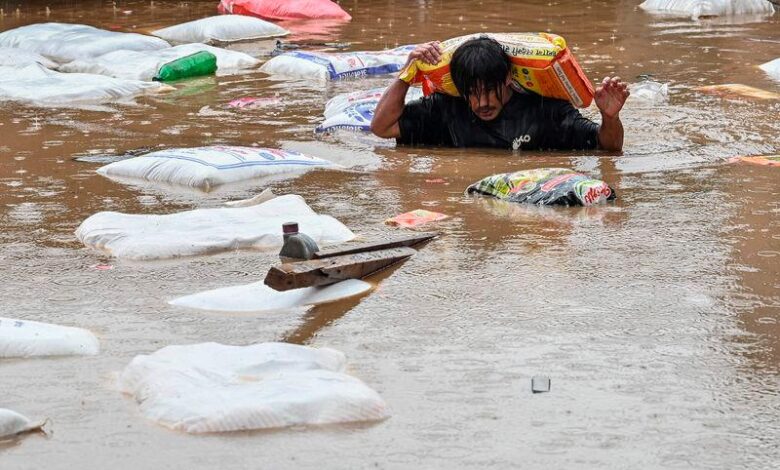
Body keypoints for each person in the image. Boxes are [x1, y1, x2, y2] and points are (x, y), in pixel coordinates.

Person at [370, 37, 629, 151]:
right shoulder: (446, 109)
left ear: (507, 79)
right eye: (472, 93)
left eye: (489, 91)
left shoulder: (545, 111)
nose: (482, 102)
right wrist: (407, 73)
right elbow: (382, 127)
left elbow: (608, 147)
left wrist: (610, 118)